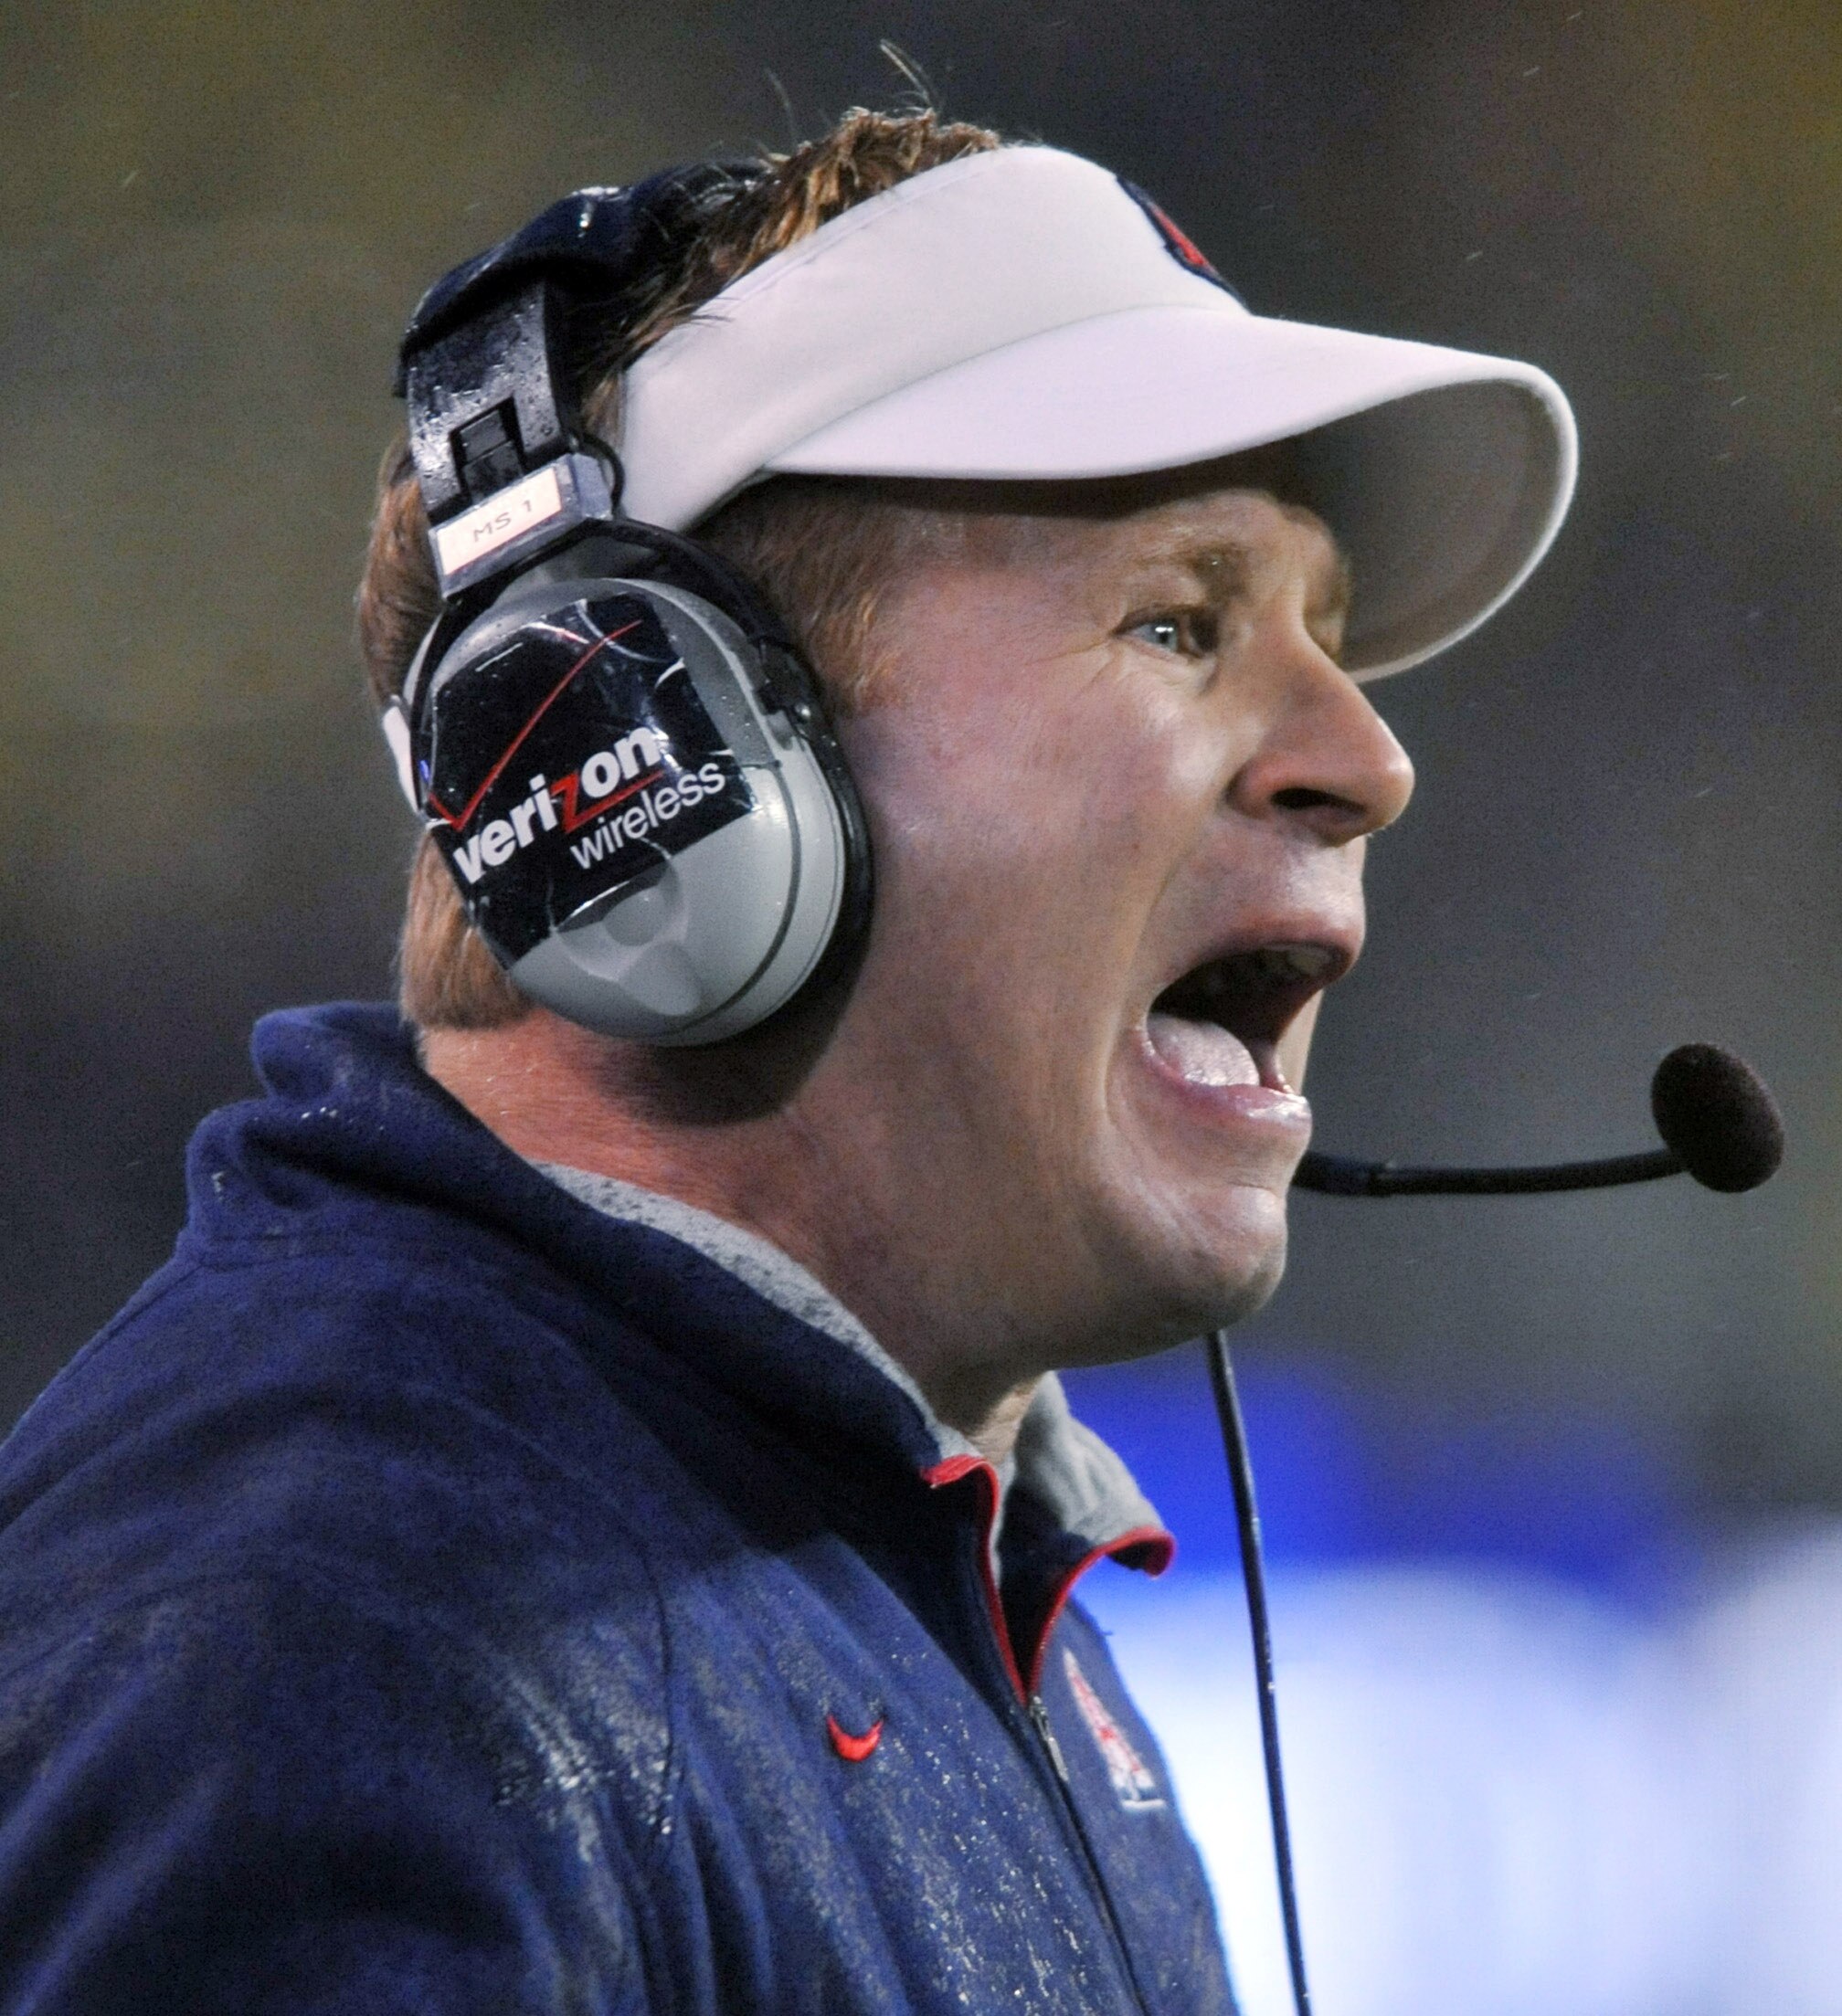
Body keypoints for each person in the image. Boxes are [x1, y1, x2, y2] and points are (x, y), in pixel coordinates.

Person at [0, 101, 1572, 2011]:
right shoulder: (345, 1646)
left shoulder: (919, 1571)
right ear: (680, 774)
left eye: (1329, 639)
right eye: (1179, 624)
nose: (1369, 761)